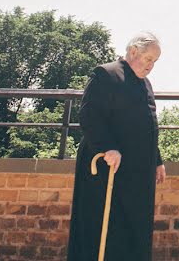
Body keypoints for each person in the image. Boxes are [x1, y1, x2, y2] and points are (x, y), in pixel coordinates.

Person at [67, 32, 166, 261]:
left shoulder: (145, 83)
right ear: (133, 52)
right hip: (107, 167)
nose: (151, 66)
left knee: (133, 228)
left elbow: (148, 124)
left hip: (137, 173)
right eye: (148, 59)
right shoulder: (107, 74)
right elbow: (89, 116)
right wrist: (108, 147)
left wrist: (157, 160)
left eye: (154, 62)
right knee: (104, 228)